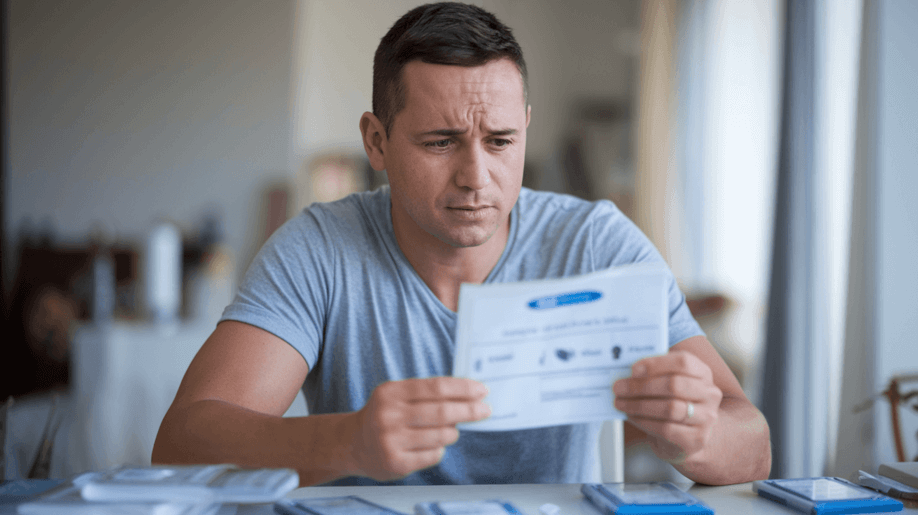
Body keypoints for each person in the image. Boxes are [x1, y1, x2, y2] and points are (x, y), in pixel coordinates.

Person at [152, 2, 771, 486]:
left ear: (525, 127)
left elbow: (754, 444)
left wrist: (694, 434)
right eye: (440, 142)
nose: (477, 177)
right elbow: (180, 446)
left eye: (501, 142)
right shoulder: (318, 250)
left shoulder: (596, 244)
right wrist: (344, 443)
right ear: (376, 142)